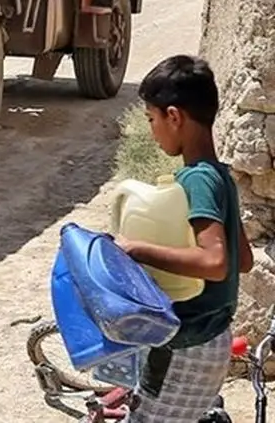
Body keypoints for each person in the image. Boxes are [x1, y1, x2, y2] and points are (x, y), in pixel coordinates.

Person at [114, 55, 254, 423]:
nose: (152, 131)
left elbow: (215, 262)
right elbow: (244, 259)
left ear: (174, 116)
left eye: (151, 120)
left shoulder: (197, 180)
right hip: (215, 341)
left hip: (185, 346)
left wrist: (136, 249)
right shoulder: (220, 175)